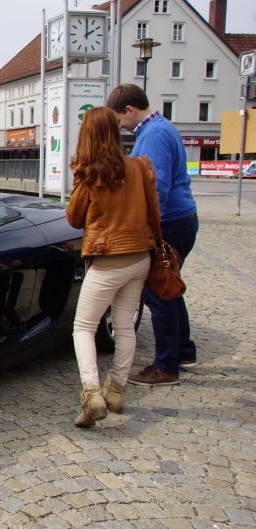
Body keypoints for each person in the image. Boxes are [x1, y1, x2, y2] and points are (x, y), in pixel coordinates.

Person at [65, 107, 160, 427]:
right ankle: (116, 390)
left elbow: (73, 218)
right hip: (140, 256)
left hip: (108, 260)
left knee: (83, 327)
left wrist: (79, 178)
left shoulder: (91, 173)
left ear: (88, 135)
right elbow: (154, 212)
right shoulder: (140, 166)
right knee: (124, 326)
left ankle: (92, 393)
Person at [107, 84, 199, 386]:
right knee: (168, 285)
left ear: (130, 110)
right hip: (179, 220)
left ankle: (166, 366)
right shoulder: (160, 128)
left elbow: (155, 189)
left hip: (168, 223)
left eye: (120, 120)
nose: (121, 126)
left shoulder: (154, 135)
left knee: (157, 292)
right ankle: (182, 351)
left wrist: (142, 228)